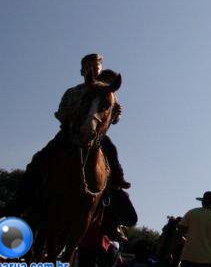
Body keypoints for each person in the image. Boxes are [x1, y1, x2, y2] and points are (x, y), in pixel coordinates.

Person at [15, 54, 129, 216]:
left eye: (96, 68)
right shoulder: (75, 91)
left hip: (97, 135)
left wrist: (116, 114)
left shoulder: (109, 93)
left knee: (111, 152)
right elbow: (61, 112)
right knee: (40, 158)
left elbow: (114, 118)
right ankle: (20, 202)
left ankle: (113, 199)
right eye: (90, 68)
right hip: (70, 132)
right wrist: (73, 119)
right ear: (83, 72)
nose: (94, 71)